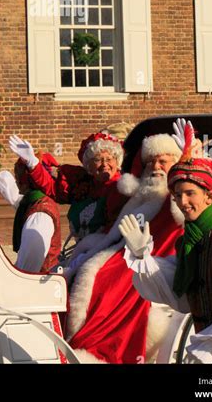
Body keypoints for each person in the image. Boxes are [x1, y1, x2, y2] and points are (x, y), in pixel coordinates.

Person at [120, 120, 212, 364]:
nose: (182, 202)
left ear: (211, 195)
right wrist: (143, 256)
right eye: (176, 195)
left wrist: (208, 347)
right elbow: (181, 297)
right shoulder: (191, 242)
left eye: (189, 193)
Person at [65, 131, 184, 364]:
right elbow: (115, 232)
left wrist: (188, 162)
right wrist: (91, 251)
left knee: (107, 281)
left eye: (163, 161)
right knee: (85, 268)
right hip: (127, 249)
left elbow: (187, 211)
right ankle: (78, 337)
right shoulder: (144, 194)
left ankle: (98, 348)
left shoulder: (178, 192)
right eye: (151, 162)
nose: (156, 167)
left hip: (159, 254)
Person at [9, 131, 128, 249]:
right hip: (84, 253)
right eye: (98, 159)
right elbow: (53, 188)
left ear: (117, 161)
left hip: (108, 254)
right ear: (89, 165)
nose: (104, 164)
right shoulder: (84, 184)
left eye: (109, 159)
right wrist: (33, 163)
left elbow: (116, 232)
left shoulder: (119, 189)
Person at [0, 146, 62, 273]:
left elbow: (28, 268)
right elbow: (14, 197)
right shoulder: (33, 201)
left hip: (39, 283)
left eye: (18, 177)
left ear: (27, 181)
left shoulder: (40, 215)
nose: (16, 182)